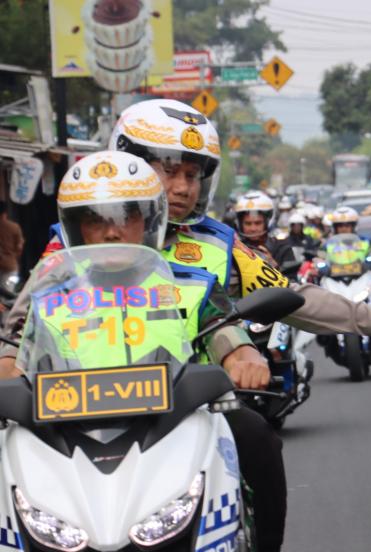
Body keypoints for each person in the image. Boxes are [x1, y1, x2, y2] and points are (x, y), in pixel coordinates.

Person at [0, 99, 371, 549]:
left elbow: (277, 304)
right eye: (167, 170)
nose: (180, 187)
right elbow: (22, 330)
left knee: (258, 438)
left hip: (183, 409)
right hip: (69, 412)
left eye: (192, 175)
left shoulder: (217, 247)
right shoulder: (67, 251)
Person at [4, 151, 288, 550]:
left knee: (256, 435)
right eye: (95, 219)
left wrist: (245, 358)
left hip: (175, 421)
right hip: (63, 429)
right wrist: (6, 369)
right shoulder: (48, 291)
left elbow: (224, 333)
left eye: (126, 216)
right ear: (74, 227)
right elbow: (15, 346)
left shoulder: (191, 283)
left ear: (150, 221)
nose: (111, 232)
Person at [233, 190, 295, 269]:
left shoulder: (282, 247)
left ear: (267, 222)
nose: (253, 228)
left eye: (258, 223)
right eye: (248, 223)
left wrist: (272, 263)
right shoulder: (234, 247)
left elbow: (291, 278)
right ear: (240, 224)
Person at [0, 202, 24, 278]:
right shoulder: (14, 227)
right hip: (10, 265)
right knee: (10, 289)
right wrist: (14, 257)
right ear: (5, 213)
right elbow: (19, 247)